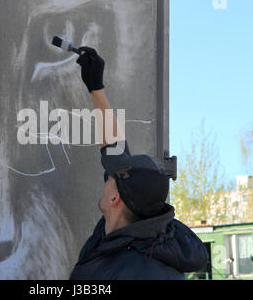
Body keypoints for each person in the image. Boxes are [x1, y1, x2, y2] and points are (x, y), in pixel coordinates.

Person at [69, 47, 208, 280]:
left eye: (109, 178)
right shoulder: (135, 237)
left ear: (116, 199)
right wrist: (96, 89)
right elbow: (116, 151)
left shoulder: (130, 271)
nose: (106, 177)